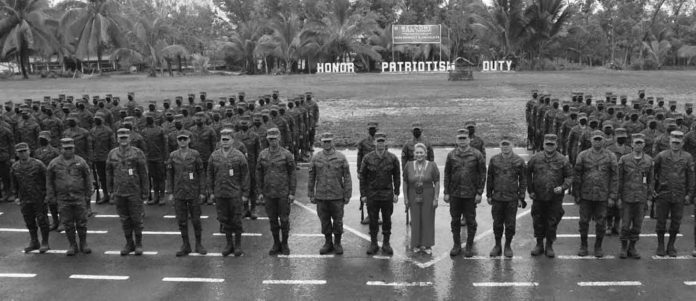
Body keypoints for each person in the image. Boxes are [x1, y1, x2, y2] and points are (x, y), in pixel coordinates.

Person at [574, 130, 618, 258]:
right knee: (583, 222)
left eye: (600, 139)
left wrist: (612, 196)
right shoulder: (582, 155)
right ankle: (583, 245)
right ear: (591, 140)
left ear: (604, 140)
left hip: (602, 195)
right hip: (586, 194)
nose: (597, 141)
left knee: (601, 222)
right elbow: (577, 175)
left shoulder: (610, 156)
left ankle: (598, 246)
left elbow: (615, 177)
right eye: (595, 139)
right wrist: (577, 194)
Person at [527, 134, 573, 258]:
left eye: (552, 144)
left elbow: (570, 176)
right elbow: (527, 173)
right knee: (538, 220)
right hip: (538, 196)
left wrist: (563, 187)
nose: (549, 146)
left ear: (556, 145)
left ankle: (549, 245)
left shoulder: (562, 159)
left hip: (555, 197)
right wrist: (530, 190)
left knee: (552, 221)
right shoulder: (536, 158)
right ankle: (539, 244)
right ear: (543, 144)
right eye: (547, 144)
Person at [46, 138, 93, 256]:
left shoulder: (80, 161)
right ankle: (72, 245)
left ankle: (83, 243)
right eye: (65, 148)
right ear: (61, 149)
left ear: (74, 148)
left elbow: (87, 177)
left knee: (82, 222)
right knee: (68, 223)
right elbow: (49, 181)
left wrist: (88, 193)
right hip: (63, 198)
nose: (68, 151)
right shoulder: (54, 163)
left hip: (79, 196)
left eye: (70, 148)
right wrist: (51, 195)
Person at [106, 128, 149, 256]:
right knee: (124, 219)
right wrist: (110, 191)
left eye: (125, 137)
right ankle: (129, 243)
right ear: (117, 139)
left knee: (136, 219)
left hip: (134, 190)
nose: (123, 140)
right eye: (121, 138)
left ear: (129, 138)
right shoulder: (112, 154)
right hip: (119, 191)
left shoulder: (137, 153)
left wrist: (145, 191)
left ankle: (139, 243)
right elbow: (108, 172)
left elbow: (143, 173)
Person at [444, 129, 486, 257]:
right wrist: (446, 192)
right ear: (456, 140)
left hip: (470, 194)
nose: (462, 141)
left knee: (471, 221)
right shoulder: (451, 155)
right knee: (455, 220)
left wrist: (479, 192)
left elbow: (482, 174)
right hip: (455, 193)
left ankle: (469, 246)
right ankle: (456, 245)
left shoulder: (477, 155)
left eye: (464, 138)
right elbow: (447, 174)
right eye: (460, 138)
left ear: (468, 139)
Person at [308, 132, 352, 255]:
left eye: (329, 141)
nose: (327, 144)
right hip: (321, 196)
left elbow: (347, 177)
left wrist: (347, 194)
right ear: (321, 143)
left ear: (332, 142)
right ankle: (328, 242)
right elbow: (311, 177)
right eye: (324, 141)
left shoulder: (340, 157)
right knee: (324, 220)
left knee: (338, 221)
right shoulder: (316, 158)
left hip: (337, 195)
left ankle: (337, 243)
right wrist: (311, 193)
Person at [208, 130, 249, 257]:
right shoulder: (214, 156)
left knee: (236, 220)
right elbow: (210, 175)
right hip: (220, 193)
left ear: (232, 140)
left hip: (234, 194)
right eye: (223, 139)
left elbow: (245, 176)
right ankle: (228, 244)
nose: (224, 142)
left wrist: (245, 194)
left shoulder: (239, 156)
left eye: (227, 139)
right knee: (224, 220)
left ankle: (237, 245)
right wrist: (211, 192)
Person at [653, 131, 694, 257]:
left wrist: (689, 194)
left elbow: (690, 177)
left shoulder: (687, 157)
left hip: (679, 193)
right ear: (669, 142)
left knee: (676, 222)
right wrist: (653, 190)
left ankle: (671, 246)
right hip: (664, 193)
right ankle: (660, 245)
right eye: (673, 142)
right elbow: (653, 173)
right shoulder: (661, 156)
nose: (676, 144)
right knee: (661, 221)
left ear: (682, 143)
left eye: (678, 142)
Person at [165, 133, 207, 256]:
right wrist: (170, 192)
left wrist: (203, 191)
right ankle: (185, 245)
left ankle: (198, 244)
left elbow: (201, 173)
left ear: (189, 140)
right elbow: (170, 175)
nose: (182, 141)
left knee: (196, 220)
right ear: (177, 141)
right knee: (182, 221)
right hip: (179, 192)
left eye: (185, 139)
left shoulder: (195, 154)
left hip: (193, 191)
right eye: (180, 139)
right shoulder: (173, 156)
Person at [359, 132, 400, 256]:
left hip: (387, 194)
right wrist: (363, 194)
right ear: (374, 142)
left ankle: (386, 243)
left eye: (382, 141)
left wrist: (396, 192)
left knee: (387, 219)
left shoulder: (392, 158)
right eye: (378, 141)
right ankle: (373, 243)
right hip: (372, 194)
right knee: (373, 220)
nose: (380, 143)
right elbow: (363, 177)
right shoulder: (367, 158)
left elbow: (397, 176)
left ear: (385, 142)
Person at [256, 128, 296, 256]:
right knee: (272, 220)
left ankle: (284, 243)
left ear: (279, 138)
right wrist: (260, 191)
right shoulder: (262, 155)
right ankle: (276, 243)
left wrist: (292, 192)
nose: (272, 141)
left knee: (284, 220)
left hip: (283, 193)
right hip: (269, 193)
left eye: (274, 138)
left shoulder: (286, 154)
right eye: (270, 139)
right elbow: (259, 173)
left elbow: (292, 174)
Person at [486, 136, 526, 258]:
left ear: (512, 145)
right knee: (497, 224)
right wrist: (488, 194)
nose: (505, 147)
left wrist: (521, 197)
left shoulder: (519, 161)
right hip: (497, 197)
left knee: (510, 224)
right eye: (503, 145)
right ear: (500, 146)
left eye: (507, 144)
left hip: (511, 198)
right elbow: (490, 178)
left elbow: (523, 180)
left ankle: (507, 245)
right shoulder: (494, 160)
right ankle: (497, 245)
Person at [617, 133, 654, 259]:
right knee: (625, 224)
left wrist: (649, 198)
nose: (638, 145)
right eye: (636, 143)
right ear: (632, 144)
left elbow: (650, 180)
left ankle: (632, 247)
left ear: (644, 145)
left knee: (637, 224)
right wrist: (618, 197)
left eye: (641, 143)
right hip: (627, 197)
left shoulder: (649, 160)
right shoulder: (624, 159)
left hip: (641, 198)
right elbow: (619, 179)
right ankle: (623, 247)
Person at [11, 142, 50, 253]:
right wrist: (16, 196)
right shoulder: (15, 166)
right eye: (20, 152)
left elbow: (47, 180)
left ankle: (45, 242)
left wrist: (48, 194)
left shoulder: (38, 164)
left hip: (39, 197)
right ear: (17, 154)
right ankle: (34, 241)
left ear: (29, 151)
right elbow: (15, 183)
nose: (23, 154)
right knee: (29, 221)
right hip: (24, 198)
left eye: (24, 151)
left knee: (42, 220)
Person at [403, 142, 440, 254]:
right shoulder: (408, 165)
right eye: (417, 152)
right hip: (413, 194)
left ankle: (427, 245)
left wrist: (436, 198)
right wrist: (405, 198)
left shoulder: (432, 165)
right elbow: (405, 182)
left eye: (421, 152)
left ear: (425, 153)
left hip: (428, 194)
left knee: (427, 219)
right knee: (415, 220)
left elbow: (437, 181)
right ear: (414, 153)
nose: (419, 154)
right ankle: (416, 244)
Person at [33, 131, 61, 231]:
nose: (41, 140)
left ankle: (62, 221)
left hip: (54, 178)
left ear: (48, 139)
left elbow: (59, 164)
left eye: (44, 138)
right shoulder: (37, 152)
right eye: (40, 138)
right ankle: (55, 221)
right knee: (50, 201)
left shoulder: (55, 151)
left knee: (58, 201)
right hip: (43, 180)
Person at [141, 112, 168, 205]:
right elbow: (144, 146)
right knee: (153, 178)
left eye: (150, 117)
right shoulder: (144, 131)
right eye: (147, 118)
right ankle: (156, 196)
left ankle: (162, 196)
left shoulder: (160, 130)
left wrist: (165, 158)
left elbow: (165, 145)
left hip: (159, 157)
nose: (148, 119)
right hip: (149, 158)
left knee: (161, 178)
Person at [356, 122, 378, 225]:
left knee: (378, 194)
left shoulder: (380, 141)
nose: (372, 130)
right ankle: (370, 215)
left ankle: (377, 216)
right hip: (367, 172)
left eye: (374, 129)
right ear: (368, 129)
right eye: (370, 129)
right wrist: (359, 171)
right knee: (367, 194)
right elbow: (359, 157)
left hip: (378, 172)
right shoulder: (363, 142)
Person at [90, 115, 115, 204]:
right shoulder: (92, 131)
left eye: (98, 119)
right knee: (102, 178)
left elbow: (112, 145)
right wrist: (92, 156)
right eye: (95, 119)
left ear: (102, 120)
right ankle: (105, 195)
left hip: (107, 157)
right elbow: (91, 145)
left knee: (110, 176)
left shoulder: (108, 130)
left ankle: (112, 194)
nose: (96, 120)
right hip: (97, 158)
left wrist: (112, 156)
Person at [0, 123, 14, 202]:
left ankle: (10, 194)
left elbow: (11, 144)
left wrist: (12, 157)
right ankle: (2, 195)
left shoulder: (6, 130)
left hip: (4, 157)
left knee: (6, 177)